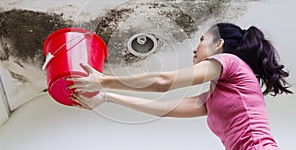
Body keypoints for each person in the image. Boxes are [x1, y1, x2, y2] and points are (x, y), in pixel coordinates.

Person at [68, 22, 292, 150]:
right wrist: (107, 96)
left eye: (202, 40)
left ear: (219, 44)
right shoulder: (213, 97)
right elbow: (164, 108)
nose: (195, 49)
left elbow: (163, 82)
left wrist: (104, 79)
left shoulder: (230, 62)